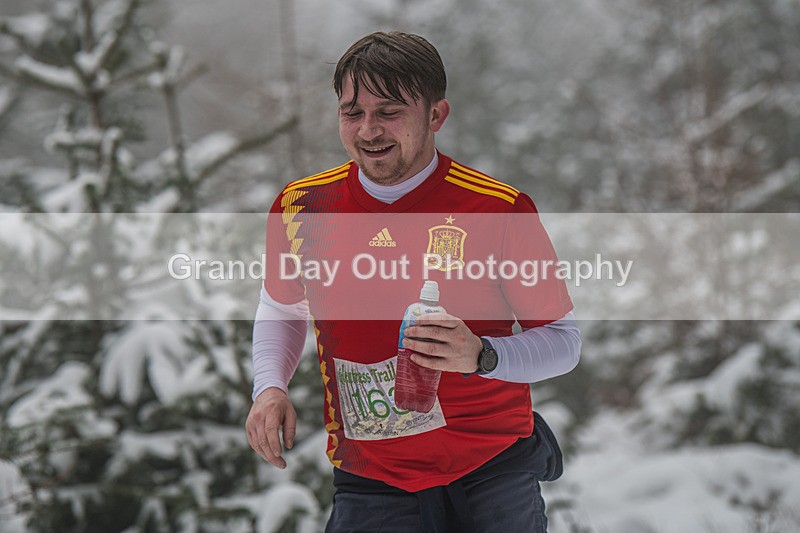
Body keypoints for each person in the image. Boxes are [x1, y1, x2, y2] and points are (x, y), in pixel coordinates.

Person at [246, 31, 581, 532]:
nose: (368, 130)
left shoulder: (497, 209)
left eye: (389, 111)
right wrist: (269, 387)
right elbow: (283, 309)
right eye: (352, 113)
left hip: (491, 471)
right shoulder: (302, 207)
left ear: (436, 115)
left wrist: (482, 355)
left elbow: (563, 342)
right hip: (372, 477)